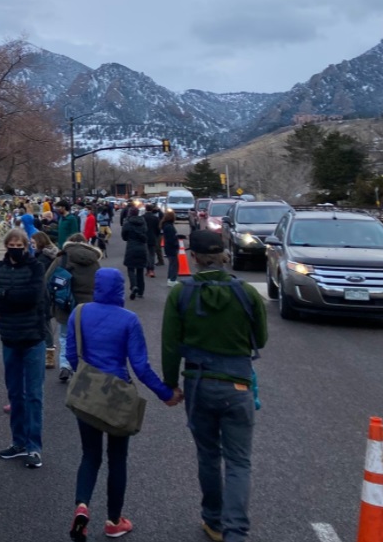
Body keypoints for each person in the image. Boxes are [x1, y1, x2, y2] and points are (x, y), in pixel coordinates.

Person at [162, 230, 268, 542]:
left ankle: (214, 520)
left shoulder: (180, 293)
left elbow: (170, 345)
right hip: (237, 383)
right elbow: (259, 339)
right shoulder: (246, 292)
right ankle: (236, 531)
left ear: (192, 257)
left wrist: (170, 385)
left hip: (198, 382)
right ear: (223, 255)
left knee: (208, 455)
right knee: (238, 461)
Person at [65, 269, 183, 541]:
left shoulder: (80, 312)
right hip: (118, 398)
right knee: (117, 459)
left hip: (87, 395)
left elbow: (71, 354)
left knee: (89, 456)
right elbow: (140, 366)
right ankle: (113, 521)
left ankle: (82, 506)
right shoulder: (129, 319)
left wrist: (86, 379)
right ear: (120, 289)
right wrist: (165, 393)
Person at [0, 228, 47, 469]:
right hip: (9, 337)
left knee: (33, 395)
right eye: (11, 245)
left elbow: (33, 296)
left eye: (20, 245)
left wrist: (5, 296)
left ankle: (34, 446)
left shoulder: (35, 267)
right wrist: (9, 297)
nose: (15, 249)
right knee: (14, 394)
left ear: (27, 246)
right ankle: (18, 442)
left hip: (33, 338)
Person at [46, 233, 103, 383]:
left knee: (65, 336)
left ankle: (65, 365)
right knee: (85, 337)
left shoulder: (62, 258)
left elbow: (48, 280)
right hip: (88, 306)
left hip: (65, 303)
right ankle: (83, 367)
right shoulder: (94, 261)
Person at [30, 232, 59, 369]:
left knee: (44, 324)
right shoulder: (50, 254)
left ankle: (49, 354)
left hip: (44, 295)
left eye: (33, 242)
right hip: (50, 293)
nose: (31, 245)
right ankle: (48, 352)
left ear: (40, 242)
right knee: (45, 323)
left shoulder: (42, 258)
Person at [121, 207, 150, 300]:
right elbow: (146, 232)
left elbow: (124, 236)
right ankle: (141, 291)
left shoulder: (127, 223)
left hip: (131, 247)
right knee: (140, 270)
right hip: (142, 247)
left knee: (130, 269)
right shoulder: (143, 222)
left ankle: (134, 286)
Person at [161, 211, 181, 287]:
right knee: (174, 264)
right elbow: (171, 238)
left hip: (168, 247)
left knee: (172, 264)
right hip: (171, 248)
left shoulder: (166, 225)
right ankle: (172, 279)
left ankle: (170, 279)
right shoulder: (169, 227)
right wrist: (176, 245)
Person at [144, 204, 162, 276]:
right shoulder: (156, 218)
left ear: (146, 209)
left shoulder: (143, 218)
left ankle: (148, 269)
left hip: (145, 238)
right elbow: (158, 229)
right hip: (153, 237)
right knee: (152, 254)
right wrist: (156, 235)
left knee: (146, 254)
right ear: (152, 209)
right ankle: (151, 269)